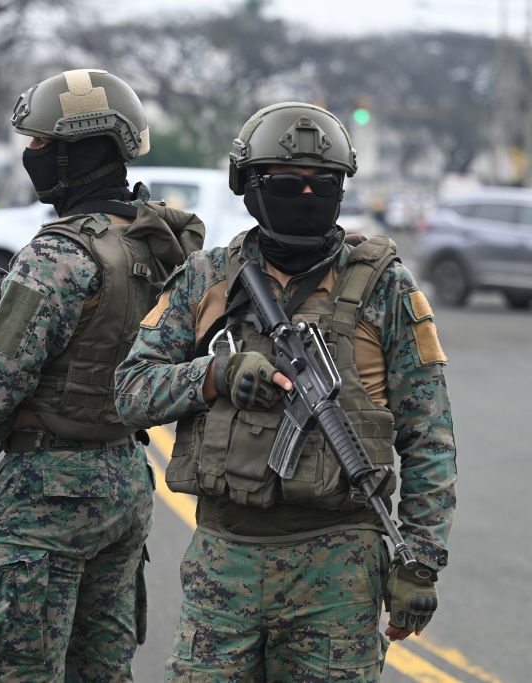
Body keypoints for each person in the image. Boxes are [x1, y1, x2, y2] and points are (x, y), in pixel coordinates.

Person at [114, 101, 457, 681]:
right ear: (248, 186)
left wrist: (419, 562)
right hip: (225, 561)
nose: (305, 195)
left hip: (340, 569)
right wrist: (214, 376)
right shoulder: (207, 277)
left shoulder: (386, 287)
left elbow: (431, 436)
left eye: (322, 183)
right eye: (284, 182)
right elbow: (129, 392)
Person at [0, 68, 204, 681]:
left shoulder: (59, 254)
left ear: (77, 151)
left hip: (47, 493)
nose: (29, 155)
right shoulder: (157, 244)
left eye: (40, 144)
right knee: (102, 670)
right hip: (124, 477)